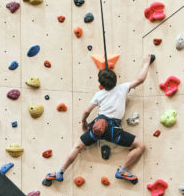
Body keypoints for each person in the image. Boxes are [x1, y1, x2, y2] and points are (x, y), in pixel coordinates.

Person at [44, 55, 153, 185]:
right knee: (140, 146)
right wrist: (146, 63)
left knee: (77, 146)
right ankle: (122, 171)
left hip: (97, 128)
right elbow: (140, 79)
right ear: (115, 80)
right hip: (113, 131)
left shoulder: (99, 94)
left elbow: (86, 111)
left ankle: (59, 172)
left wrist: (84, 122)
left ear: (100, 84)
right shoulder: (123, 88)